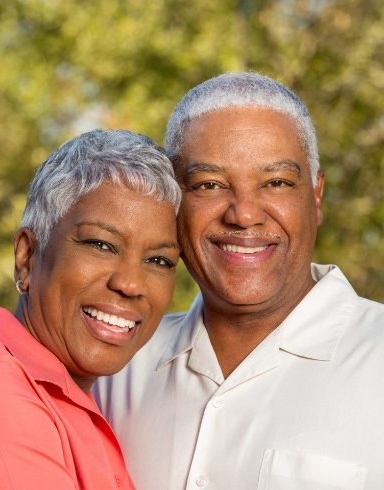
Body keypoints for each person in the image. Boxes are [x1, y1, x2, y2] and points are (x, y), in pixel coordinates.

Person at [94, 73, 384, 489]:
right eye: (209, 184)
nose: (244, 214)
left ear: (316, 196)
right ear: (172, 201)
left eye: (276, 183)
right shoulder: (117, 368)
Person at [0, 129, 181, 489]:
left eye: (158, 260)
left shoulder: (81, 403)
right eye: (101, 244)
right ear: (27, 257)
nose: (131, 283)